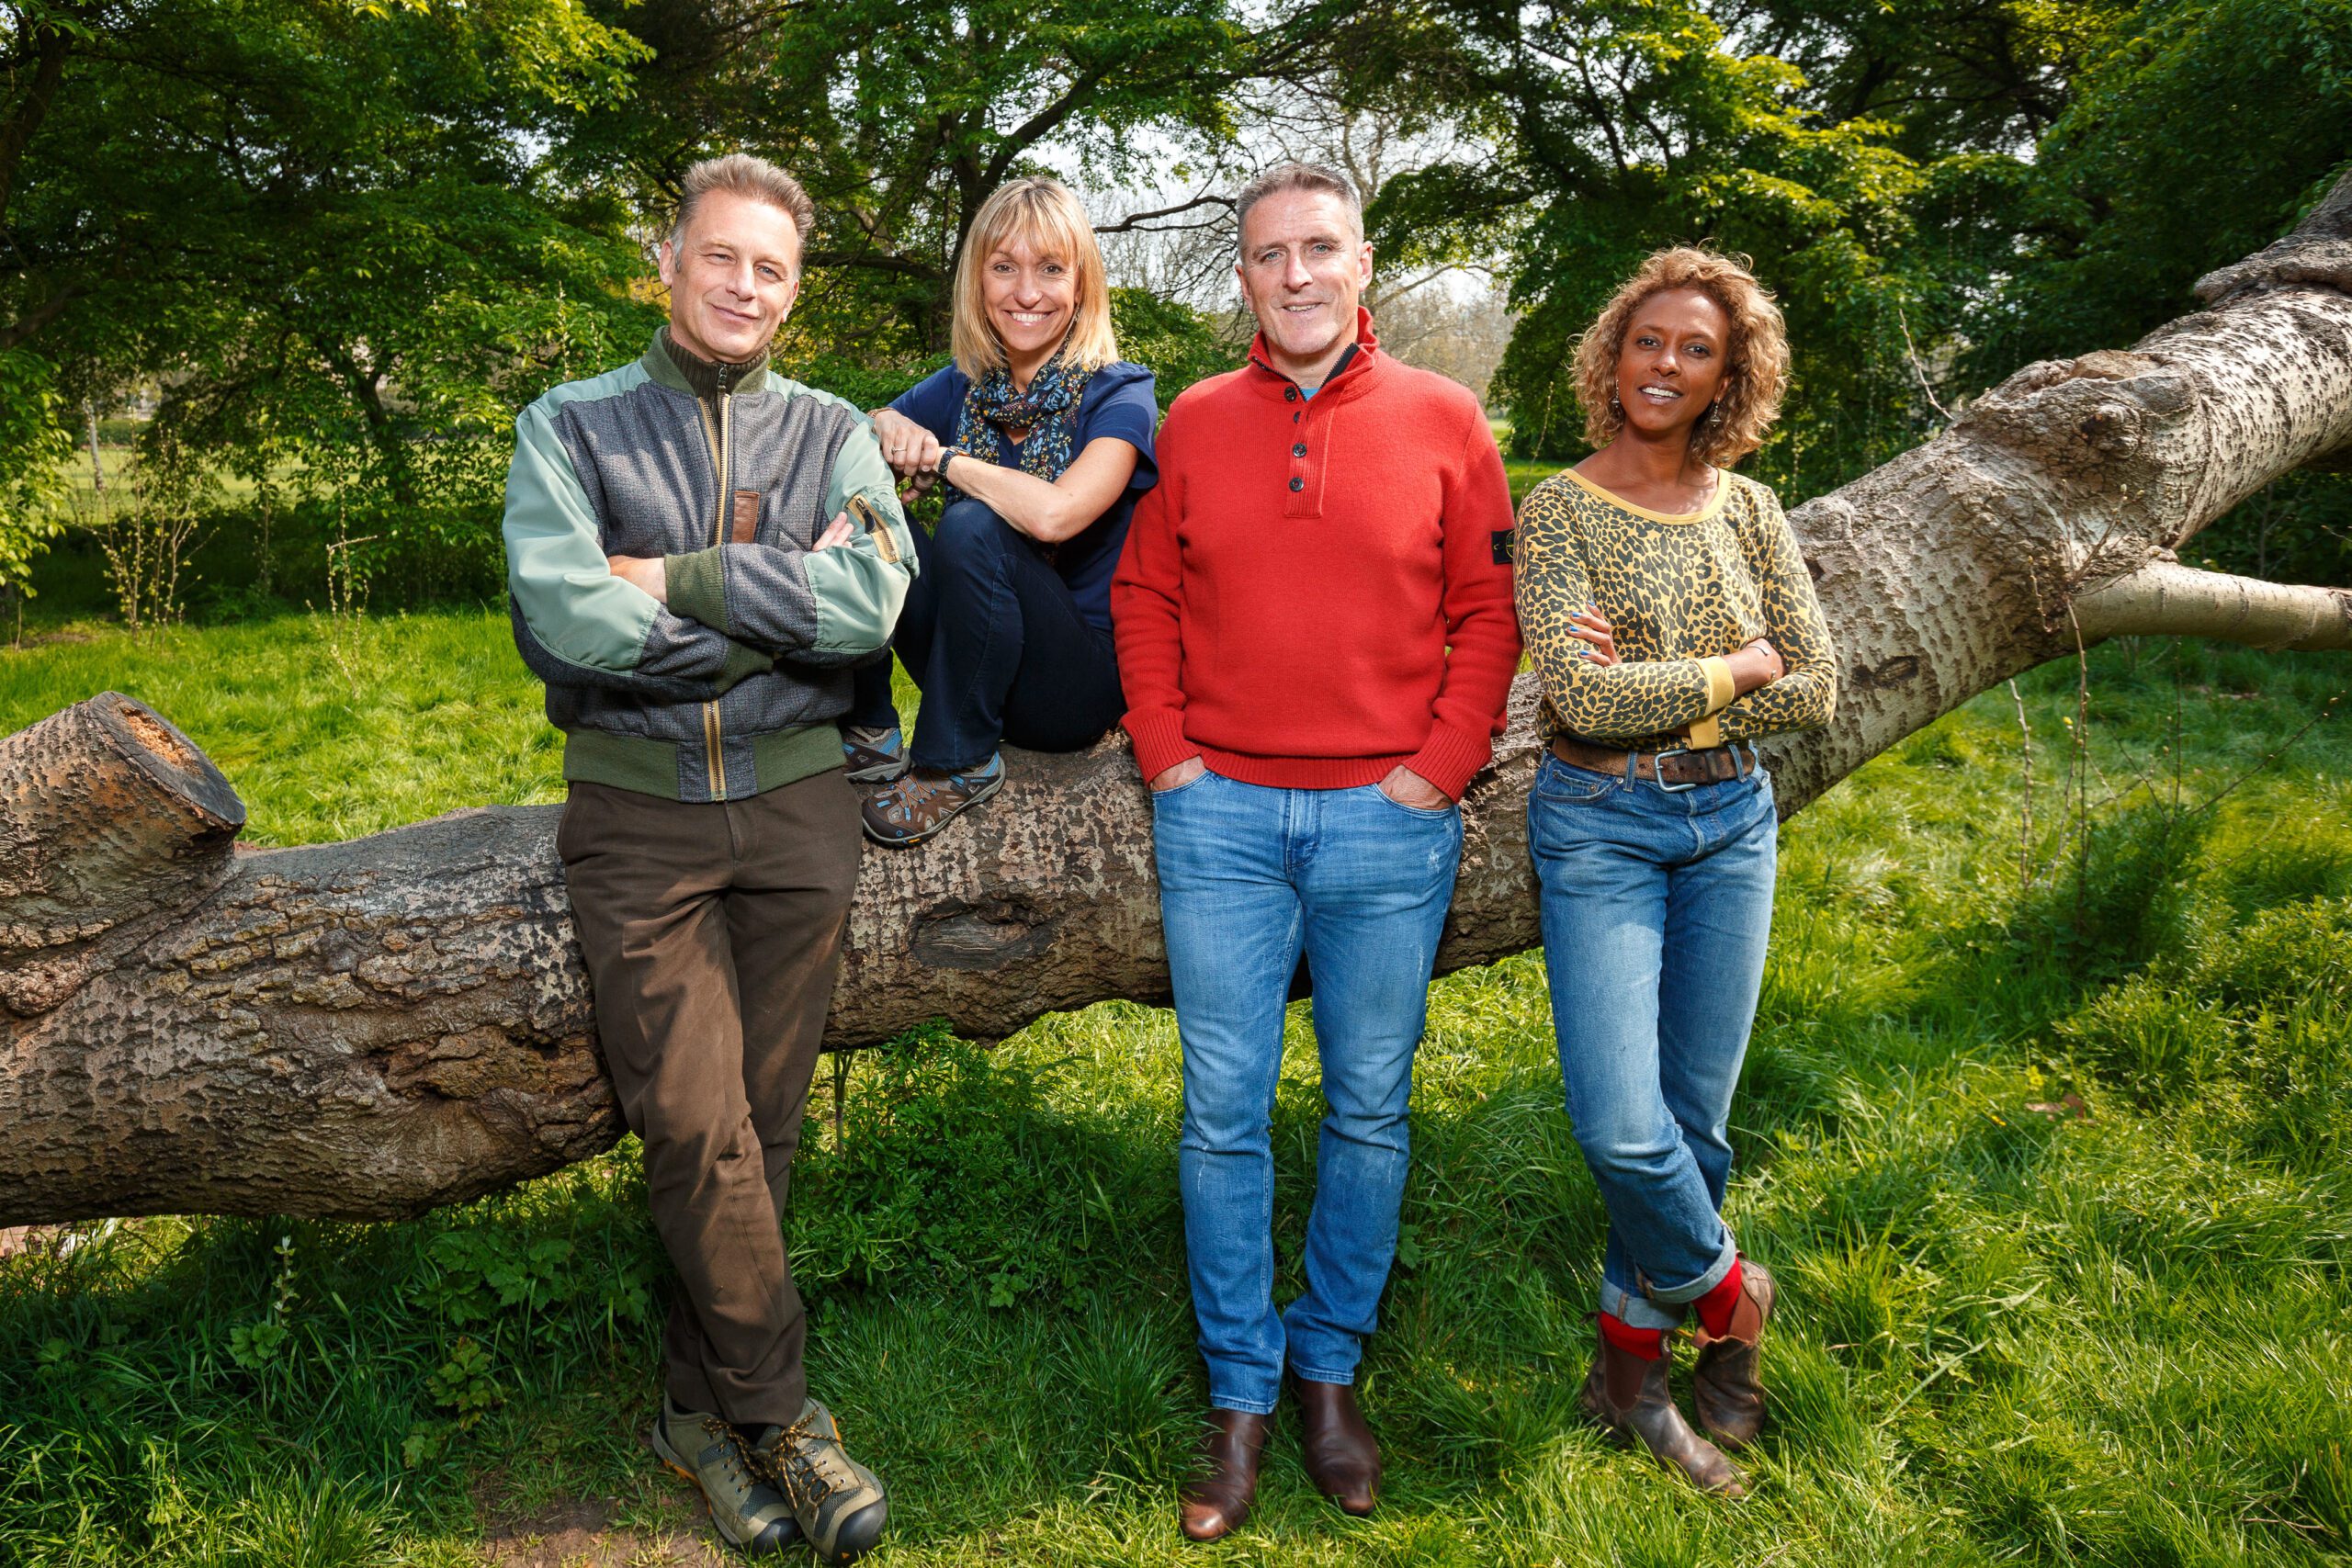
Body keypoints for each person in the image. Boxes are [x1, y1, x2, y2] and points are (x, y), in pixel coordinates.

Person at [503, 152, 910, 1564]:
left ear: (795, 291)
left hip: (801, 813)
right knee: (692, 1120)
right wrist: (772, 608)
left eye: (774, 268)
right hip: (638, 817)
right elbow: (562, 618)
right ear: (665, 260)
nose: (746, 285)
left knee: (765, 1124)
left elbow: (867, 605)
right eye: (723, 256)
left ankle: (695, 1411)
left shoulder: (833, 431)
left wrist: (667, 580)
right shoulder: (569, 425)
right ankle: (786, 1415)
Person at [1112, 162, 1521, 1541]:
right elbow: (1145, 589)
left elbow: (1486, 607)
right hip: (1219, 814)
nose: (1296, 273)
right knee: (1221, 1111)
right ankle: (1239, 1390)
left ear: (1364, 264)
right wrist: (1169, 754)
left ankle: (1330, 1368)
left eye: (1321, 249)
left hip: (1384, 822)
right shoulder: (1195, 419)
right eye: (1270, 253)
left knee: (1367, 1106)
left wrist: (1438, 771)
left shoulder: (1447, 418)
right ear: (1243, 274)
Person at [1513, 247, 1837, 1496]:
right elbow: (1582, 696)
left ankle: (1629, 1379)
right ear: (1615, 352)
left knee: (1693, 1128)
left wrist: (1696, 708)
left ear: (1728, 375)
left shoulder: (1749, 511)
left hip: (1732, 832)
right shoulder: (1560, 510)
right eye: (1649, 340)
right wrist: (1735, 668)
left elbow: (1814, 683)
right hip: (1598, 825)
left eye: (1697, 349)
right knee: (1621, 1125)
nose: (1667, 365)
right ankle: (1729, 1296)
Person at [844, 175, 1158, 846]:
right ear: (978, 282)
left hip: (1071, 688)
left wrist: (945, 460)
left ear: (1081, 285)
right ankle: (868, 723)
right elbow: (867, 427)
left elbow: (1056, 516)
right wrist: (887, 430)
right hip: (971, 661)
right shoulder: (966, 385)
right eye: (1004, 267)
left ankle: (956, 760)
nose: (1026, 292)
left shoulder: (1121, 393)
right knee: (867, 507)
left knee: (972, 522)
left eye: (1050, 269)